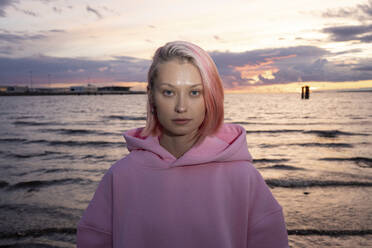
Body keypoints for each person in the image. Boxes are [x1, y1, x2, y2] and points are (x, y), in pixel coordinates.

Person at [77, 41, 289, 248]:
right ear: (151, 97)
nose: (181, 107)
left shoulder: (244, 177)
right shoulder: (120, 176)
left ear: (210, 97)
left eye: (194, 92)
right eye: (169, 92)